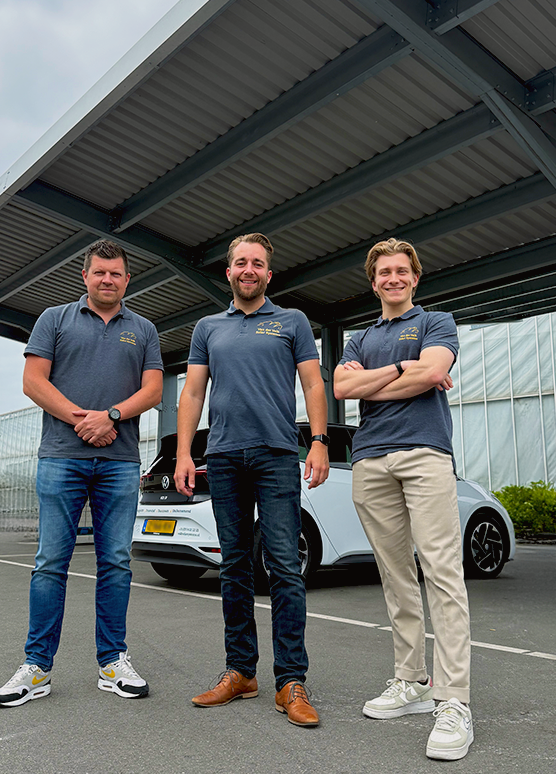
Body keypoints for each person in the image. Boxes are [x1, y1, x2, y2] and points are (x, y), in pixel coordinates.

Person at [0, 239, 163, 707]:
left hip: (120, 463)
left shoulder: (143, 329)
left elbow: (152, 392)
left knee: (116, 563)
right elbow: (33, 381)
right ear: (84, 277)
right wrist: (82, 421)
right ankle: (37, 667)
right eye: (99, 272)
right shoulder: (54, 319)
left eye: (116, 273)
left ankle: (112, 661)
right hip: (61, 457)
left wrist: (109, 416)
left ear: (128, 279)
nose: (107, 279)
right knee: (50, 563)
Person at [174, 233, 329, 727]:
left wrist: (320, 441)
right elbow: (193, 392)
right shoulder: (207, 327)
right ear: (229, 272)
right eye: (240, 262)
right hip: (222, 456)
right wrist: (183, 452)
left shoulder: (293, 322)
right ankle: (241, 672)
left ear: (268, 273)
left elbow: (312, 382)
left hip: (277, 454)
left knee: (284, 565)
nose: (249, 270)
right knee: (234, 567)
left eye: (257, 263)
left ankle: (290, 681)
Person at [333, 238, 473, 761]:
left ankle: (453, 700)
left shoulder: (438, 322)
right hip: (370, 461)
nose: (392, 278)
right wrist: (399, 372)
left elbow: (434, 371)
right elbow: (342, 390)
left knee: (442, 573)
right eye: (383, 272)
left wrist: (381, 381)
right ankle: (411, 681)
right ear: (373, 283)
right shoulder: (359, 337)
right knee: (396, 577)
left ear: (415, 278)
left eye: (401, 271)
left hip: (425, 456)